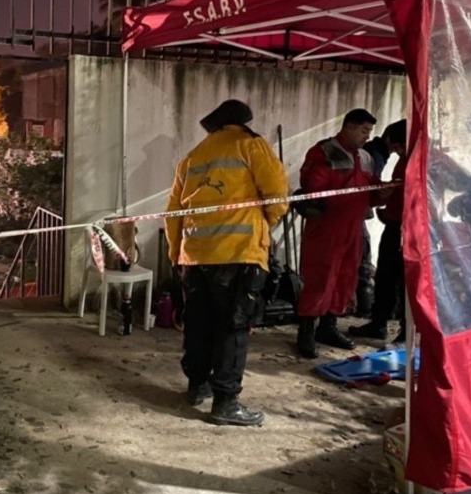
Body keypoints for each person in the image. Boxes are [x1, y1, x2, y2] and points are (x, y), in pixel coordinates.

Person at [165, 99, 288, 426]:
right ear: (243, 122)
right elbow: (277, 196)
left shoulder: (192, 158)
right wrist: (265, 226)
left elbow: (172, 214)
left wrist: (176, 254)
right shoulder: (251, 145)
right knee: (233, 328)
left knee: (199, 324)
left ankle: (197, 386)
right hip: (238, 253)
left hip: (194, 256)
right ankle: (225, 403)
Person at [296, 109, 390, 359]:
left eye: (369, 131)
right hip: (326, 229)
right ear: (348, 126)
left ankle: (328, 328)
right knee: (319, 278)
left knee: (345, 278)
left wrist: (382, 193)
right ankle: (306, 332)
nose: (366, 136)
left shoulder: (367, 158)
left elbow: (369, 192)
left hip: (354, 228)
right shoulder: (324, 151)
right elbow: (312, 188)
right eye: (363, 131)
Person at [349, 119, 408, 343]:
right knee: (385, 276)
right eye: (393, 149)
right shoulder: (403, 160)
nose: (396, 152)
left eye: (398, 147)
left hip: (411, 231)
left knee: (405, 281)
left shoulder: (427, 160)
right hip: (393, 225)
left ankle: (405, 330)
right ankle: (378, 323)